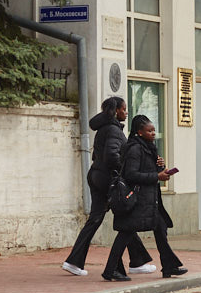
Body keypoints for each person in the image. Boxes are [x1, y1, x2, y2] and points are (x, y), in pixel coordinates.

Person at [62, 97, 155, 277]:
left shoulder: (105, 128)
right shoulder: (113, 130)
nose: (126, 112)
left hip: (96, 175)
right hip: (107, 179)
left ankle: (74, 262)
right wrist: (125, 169)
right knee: (127, 216)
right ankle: (137, 262)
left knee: (96, 219)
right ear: (116, 111)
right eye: (124, 109)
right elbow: (112, 156)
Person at [102, 115, 186, 281]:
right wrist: (157, 176)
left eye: (154, 130)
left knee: (161, 229)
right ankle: (110, 270)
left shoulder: (148, 147)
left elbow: (147, 169)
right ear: (139, 132)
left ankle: (169, 266)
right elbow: (131, 174)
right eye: (149, 131)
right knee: (125, 234)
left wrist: (160, 167)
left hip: (150, 202)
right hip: (137, 201)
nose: (153, 133)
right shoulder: (135, 149)